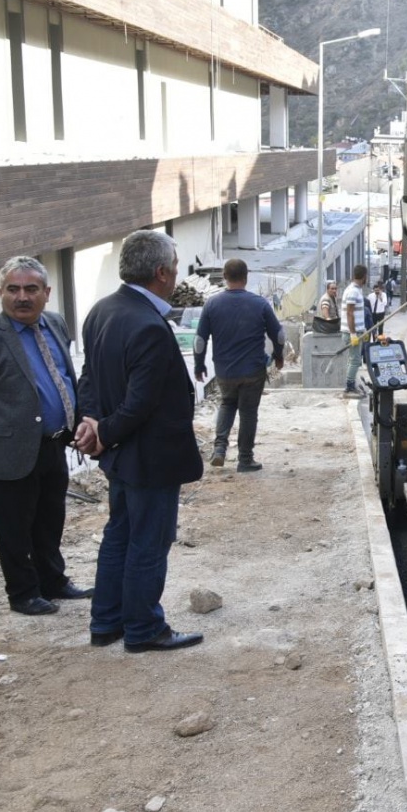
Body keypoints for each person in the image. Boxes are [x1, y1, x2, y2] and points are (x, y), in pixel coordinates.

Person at [74, 230, 204, 652]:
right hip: (149, 458)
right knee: (148, 541)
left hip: (122, 455)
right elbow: (140, 404)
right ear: (162, 272)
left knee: (120, 536)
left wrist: (93, 425)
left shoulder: (102, 310)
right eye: (176, 266)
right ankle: (144, 628)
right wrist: (102, 433)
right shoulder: (147, 323)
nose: (177, 274)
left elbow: (89, 378)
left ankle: (106, 623)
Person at [0, 257, 93, 616]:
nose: (21, 297)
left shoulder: (55, 323)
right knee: (14, 529)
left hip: (54, 444)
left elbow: (63, 375)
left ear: (46, 293)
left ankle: (53, 581)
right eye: (13, 289)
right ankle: (23, 593)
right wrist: (1, 431)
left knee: (49, 520)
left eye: (30, 289)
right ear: (0, 293)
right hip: (9, 454)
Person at [193, 258, 286, 472]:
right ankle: (245, 459)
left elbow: (199, 340)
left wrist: (199, 366)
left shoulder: (212, 304)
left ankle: (219, 450)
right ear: (246, 277)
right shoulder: (260, 304)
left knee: (227, 403)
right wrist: (279, 356)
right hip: (253, 370)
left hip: (225, 371)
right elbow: (279, 335)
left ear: (224, 277)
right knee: (248, 412)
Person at [342, 265, 369, 396]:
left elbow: (356, 314)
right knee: (355, 361)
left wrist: (363, 330)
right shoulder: (353, 291)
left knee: (353, 360)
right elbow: (350, 313)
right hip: (351, 333)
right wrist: (353, 334)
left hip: (357, 331)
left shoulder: (356, 290)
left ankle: (350, 384)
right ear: (364, 276)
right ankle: (349, 387)